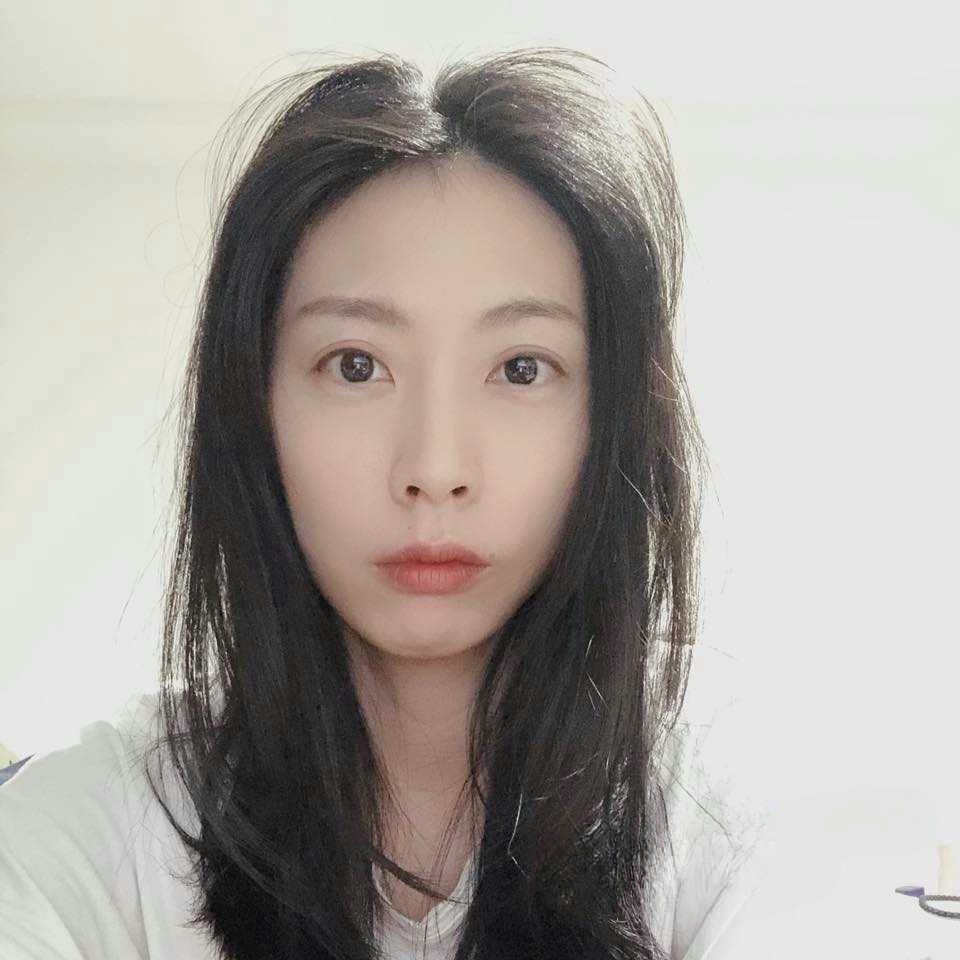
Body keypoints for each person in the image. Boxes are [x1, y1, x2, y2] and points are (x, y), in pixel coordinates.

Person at [0, 45, 770, 959]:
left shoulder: (741, 805)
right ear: (254, 407)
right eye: (356, 366)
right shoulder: (81, 835)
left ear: (612, 417)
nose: (435, 468)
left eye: (523, 369)